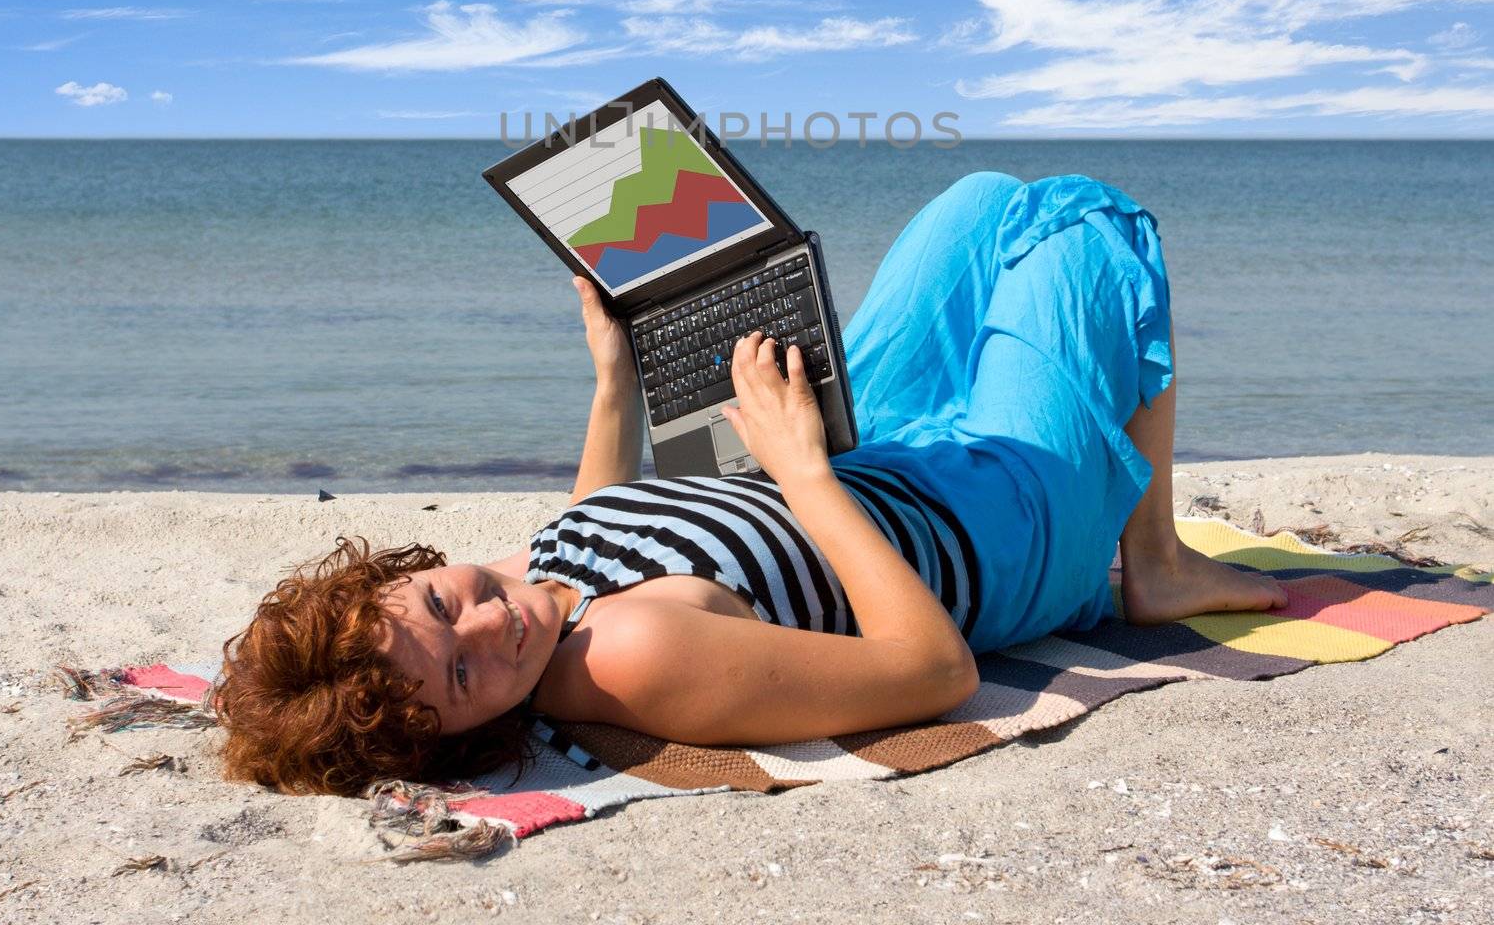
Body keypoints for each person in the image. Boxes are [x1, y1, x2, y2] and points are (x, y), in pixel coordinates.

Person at [214, 171, 1286, 795]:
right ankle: (1149, 561)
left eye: (447, 600)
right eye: (463, 678)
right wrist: (800, 467)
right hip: (997, 533)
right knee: (1094, 227)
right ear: (467, 735)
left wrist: (615, 378)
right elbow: (933, 670)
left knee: (985, 202)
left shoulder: (522, 596)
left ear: (414, 575)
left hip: (864, 461)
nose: (490, 622)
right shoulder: (628, 659)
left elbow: (591, 525)